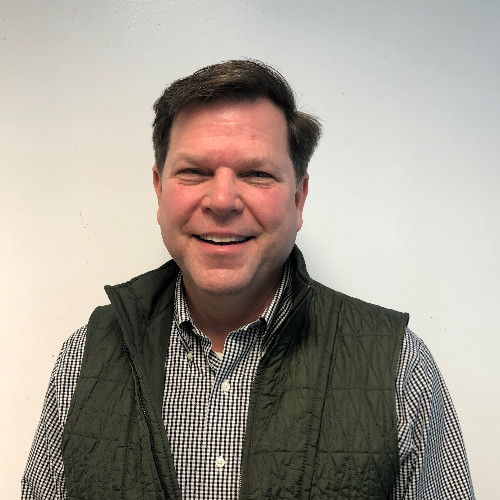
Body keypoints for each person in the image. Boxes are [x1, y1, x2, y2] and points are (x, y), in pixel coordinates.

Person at [22, 59, 474, 499]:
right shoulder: (84, 358)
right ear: (159, 190)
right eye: (194, 172)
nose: (222, 200)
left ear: (298, 198)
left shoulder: (398, 366)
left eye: (257, 174)